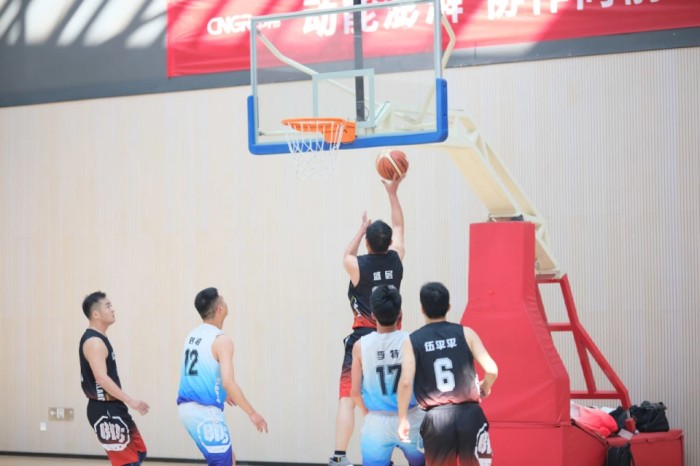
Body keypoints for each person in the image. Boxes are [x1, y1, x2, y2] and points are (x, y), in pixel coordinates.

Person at [330, 175, 406, 466]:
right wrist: (393, 193)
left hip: (363, 339)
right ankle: (392, 453)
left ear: (368, 243)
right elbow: (399, 226)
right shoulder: (396, 259)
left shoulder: (357, 265)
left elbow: (346, 254)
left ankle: (339, 457)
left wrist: (361, 229)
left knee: (347, 399)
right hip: (392, 339)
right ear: (388, 243)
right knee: (391, 397)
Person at [397, 282, 498, 466]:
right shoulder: (466, 333)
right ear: (449, 306)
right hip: (470, 414)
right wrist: (485, 386)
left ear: (422, 309)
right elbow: (492, 369)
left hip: (436, 419)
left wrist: (403, 418)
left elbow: (405, 382)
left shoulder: (413, 341)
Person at [177, 287, 268, 466]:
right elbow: (228, 383)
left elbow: (196, 373)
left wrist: (220, 393)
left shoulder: (192, 335)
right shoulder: (221, 340)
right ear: (220, 309)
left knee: (230, 459)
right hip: (205, 412)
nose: (225, 302)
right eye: (223, 300)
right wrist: (252, 413)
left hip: (186, 410)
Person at [350, 285, 425, 466]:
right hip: (411, 417)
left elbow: (354, 392)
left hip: (377, 420)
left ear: (373, 315)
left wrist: (366, 412)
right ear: (399, 313)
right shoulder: (412, 341)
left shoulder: (360, 346)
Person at [79, 291, 149, 466]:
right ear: (96, 314)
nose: (113, 309)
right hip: (104, 408)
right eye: (108, 306)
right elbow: (101, 379)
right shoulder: (94, 342)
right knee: (128, 462)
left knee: (139, 452)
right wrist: (130, 400)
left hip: (113, 406)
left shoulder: (100, 338)